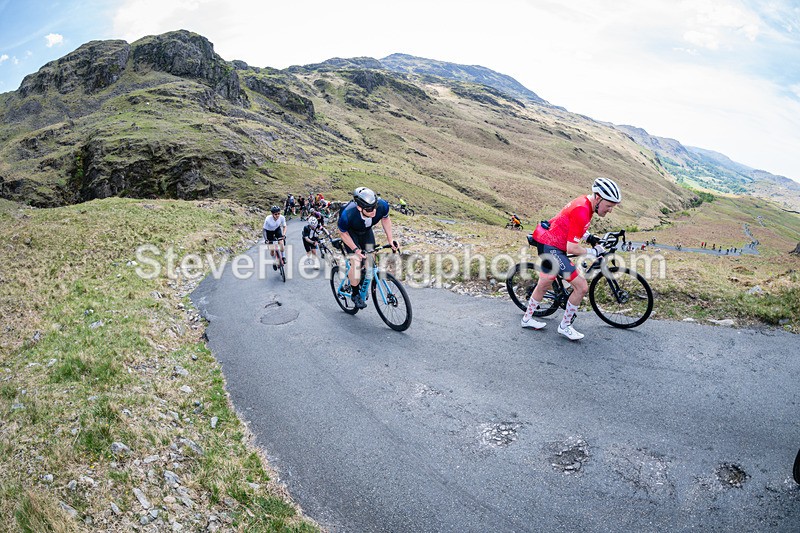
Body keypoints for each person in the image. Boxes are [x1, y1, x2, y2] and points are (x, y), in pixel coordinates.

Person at [521, 177, 621, 340]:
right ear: (598, 197)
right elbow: (572, 248)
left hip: (549, 243)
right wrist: (594, 252)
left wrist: (589, 237)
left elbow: (571, 224)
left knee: (545, 283)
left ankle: (526, 319)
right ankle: (565, 326)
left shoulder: (585, 203)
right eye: (609, 206)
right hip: (552, 247)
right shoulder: (582, 209)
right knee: (581, 287)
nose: (610, 210)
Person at [337, 187, 397, 309]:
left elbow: (385, 219)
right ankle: (355, 294)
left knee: (370, 260)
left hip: (366, 232)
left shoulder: (382, 205)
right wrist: (355, 250)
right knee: (356, 262)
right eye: (369, 209)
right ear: (359, 207)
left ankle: (361, 279)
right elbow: (343, 233)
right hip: (350, 234)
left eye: (374, 207)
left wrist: (390, 240)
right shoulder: (347, 213)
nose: (373, 211)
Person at [263, 205, 287, 270]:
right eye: (275, 214)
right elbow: (264, 230)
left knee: (281, 243)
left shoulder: (282, 217)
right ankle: (274, 261)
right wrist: (266, 239)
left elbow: (284, 226)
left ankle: (283, 257)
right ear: (272, 214)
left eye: (279, 213)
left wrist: (283, 235)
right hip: (269, 232)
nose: (277, 215)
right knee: (272, 250)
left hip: (277, 230)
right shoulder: (268, 219)